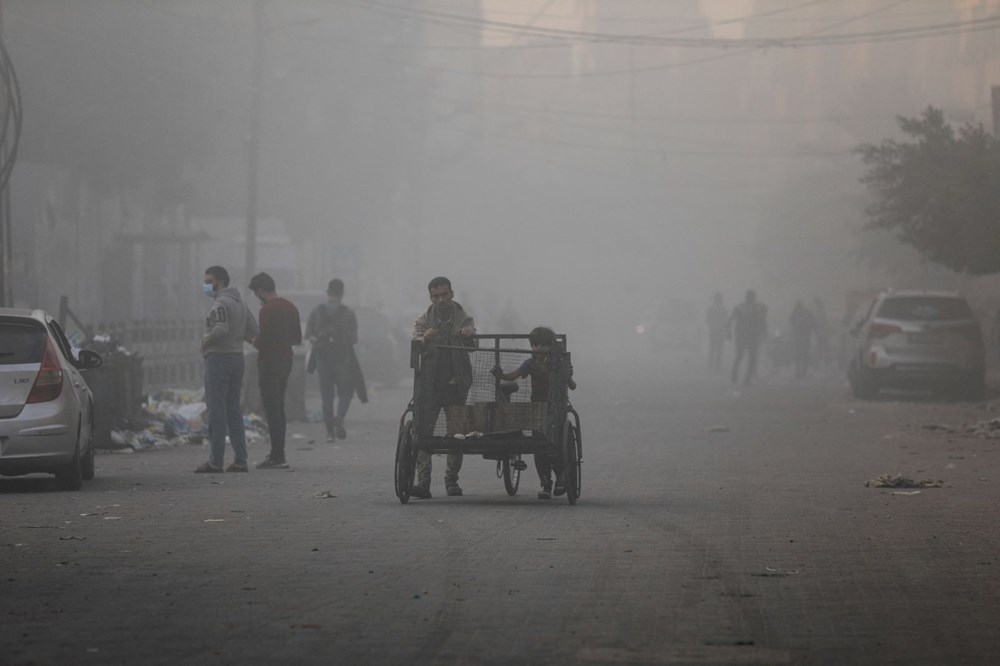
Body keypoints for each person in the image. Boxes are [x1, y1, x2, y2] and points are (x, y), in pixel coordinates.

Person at [410, 276, 476, 499]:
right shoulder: (423, 320)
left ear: (451, 294)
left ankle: (451, 481)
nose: (440, 300)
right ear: (431, 297)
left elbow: (474, 343)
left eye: (444, 295)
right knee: (423, 434)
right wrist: (424, 339)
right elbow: (415, 346)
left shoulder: (463, 317)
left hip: (457, 384)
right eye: (435, 296)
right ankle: (423, 481)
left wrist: (468, 336)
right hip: (429, 385)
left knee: (456, 435)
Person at [492, 326, 576, 500]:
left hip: (555, 410)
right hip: (537, 409)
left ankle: (561, 477)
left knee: (555, 447)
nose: (537, 349)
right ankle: (545, 483)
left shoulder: (558, 362)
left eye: (541, 345)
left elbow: (572, 385)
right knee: (539, 447)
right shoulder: (530, 363)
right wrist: (501, 375)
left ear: (550, 346)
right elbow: (513, 375)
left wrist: (567, 373)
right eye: (534, 345)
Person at [195, 265, 258, 473]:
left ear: (220, 282)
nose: (206, 285)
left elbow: (220, 328)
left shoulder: (221, 303)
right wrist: (238, 338)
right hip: (237, 359)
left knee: (216, 412)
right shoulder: (240, 302)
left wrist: (206, 340)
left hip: (218, 360)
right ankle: (241, 460)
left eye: (209, 281)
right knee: (233, 411)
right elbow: (253, 330)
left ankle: (216, 461)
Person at [249, 272, 302, 469]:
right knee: (279, 407)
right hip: (286, 361)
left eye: (256, 293)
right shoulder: (291, 307)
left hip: (269, 362)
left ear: (261, 291)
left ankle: (277, 455)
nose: (257, 297)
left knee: (272, 410)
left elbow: (263, 340)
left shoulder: (267, 310)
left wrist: (252, 341)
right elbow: (297, 338)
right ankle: (278, 453)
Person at [305, 279, 367, 442]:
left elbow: (308, 335)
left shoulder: (316, 311)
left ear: (328, 292)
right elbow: (354, 339)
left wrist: (317, 339)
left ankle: (329, 433)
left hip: (322, 359)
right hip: (342, 359)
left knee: (326, 396)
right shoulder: (348, 313)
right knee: (346, 391)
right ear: (342, 293)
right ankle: (339, 417)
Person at [728, 289, 767, 387]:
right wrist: (763, 332)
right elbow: (762, 321)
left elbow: (730, 320)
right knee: (752, 358)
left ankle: (734, 375)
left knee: (740, 356)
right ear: (753, 297)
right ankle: (747, 379)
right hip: (752, 336)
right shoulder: (757, 308)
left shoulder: (739, 307)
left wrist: (728, 332)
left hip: (741, 335)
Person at [789, 300, 817, 380]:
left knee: (798, 354)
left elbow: (791, 321)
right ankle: (803, 371)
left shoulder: (795, 312)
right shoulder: (807, 312)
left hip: (799, 337)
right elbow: (814, 322)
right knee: (804, 354)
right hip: (805, 336)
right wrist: (810, 330)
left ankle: (798, 371)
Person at [705, 292, 728, 372]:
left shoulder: (721, 309)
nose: (718, 300)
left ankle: (715, 366)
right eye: (718, 299)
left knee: (717, 349)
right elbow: (707, 320)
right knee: (714, 349)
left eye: (719, 299)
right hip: (715, 331)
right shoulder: (714, 309)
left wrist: (714, 325)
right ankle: (712, 366)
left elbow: (708, 320)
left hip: (718, 331)